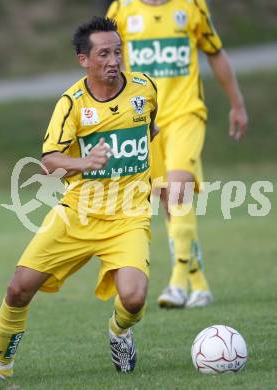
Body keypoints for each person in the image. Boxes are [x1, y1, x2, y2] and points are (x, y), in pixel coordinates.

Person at [0, 16, 158, 385]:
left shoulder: (144, 89)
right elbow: (48, 163)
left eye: (118, 52)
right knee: (18, 288)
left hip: (128, 216)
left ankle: (120, 333)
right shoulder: (71, 104)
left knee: (134, 299)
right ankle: (0, 368)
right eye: (104, 54)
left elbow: (151, 128)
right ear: (83, 59)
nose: (113, 61)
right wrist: (83, 162)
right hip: (78, 213)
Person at [107, 0, 248, 308]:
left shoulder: (192, 5)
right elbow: (106, 62)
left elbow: (215, 53)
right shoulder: (122, 9)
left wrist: (237, 105)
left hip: (187, 113)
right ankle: (199, 284)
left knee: (179, 188)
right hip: (146, 120)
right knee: (168, 201)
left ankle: (177, 282)